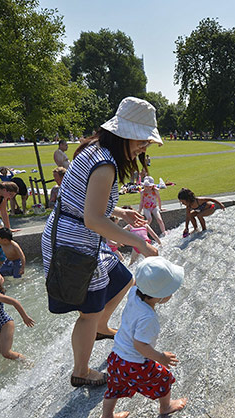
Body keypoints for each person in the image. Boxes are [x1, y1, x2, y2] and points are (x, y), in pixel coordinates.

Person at [40, 96, 160, 388]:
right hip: (75, 242)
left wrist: (120, 212)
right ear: (124, 134)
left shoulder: (94, 149)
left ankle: (102, 327)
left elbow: (83, 201)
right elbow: (93, 219)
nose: (144, 147)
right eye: (142, 140)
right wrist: (139, 243)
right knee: (88, 312)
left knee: (121, 278)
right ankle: (81, 370)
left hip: (78, 235)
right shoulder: (105, 164)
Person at [100, 257, 188, 418]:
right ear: (159, 296)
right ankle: (166, 406)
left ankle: (107, 417)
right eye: (170, 291)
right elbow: (140, 345)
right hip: (134, 363)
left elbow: (137, 282)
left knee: (114, 388)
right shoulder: (148, 318)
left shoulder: (134, 293)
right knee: (164, 378)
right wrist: (160, 357)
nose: (172, 294)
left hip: (116, 358)